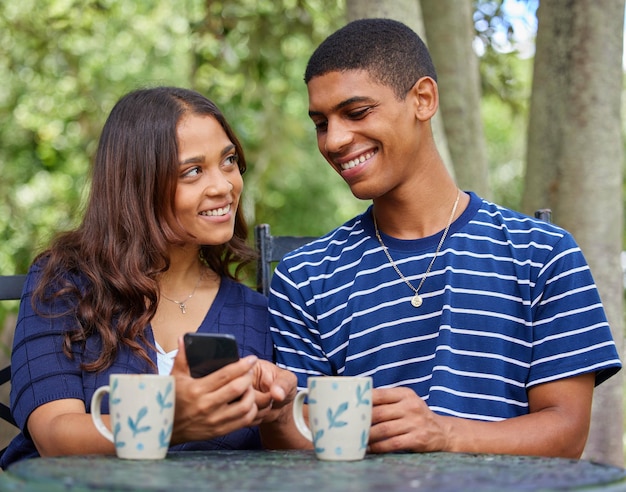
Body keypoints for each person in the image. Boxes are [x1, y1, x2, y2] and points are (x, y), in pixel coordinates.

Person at [268, 18, 621, 458]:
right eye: (321, 123)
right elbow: (299, 442)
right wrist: (273, 412)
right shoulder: (304, 277)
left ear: (423, 99)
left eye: (356, 113)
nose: (335, 140)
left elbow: (567, 433)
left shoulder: (544, 254)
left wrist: (445, 435)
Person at [1, 86, 296, 468]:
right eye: (193, 171)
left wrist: (280, 409)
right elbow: (54, 434)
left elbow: (277, 456)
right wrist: (168, 420)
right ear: (138, 184)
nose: (224, 186)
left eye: (228, 161)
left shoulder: (255, 312)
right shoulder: (65, 284)